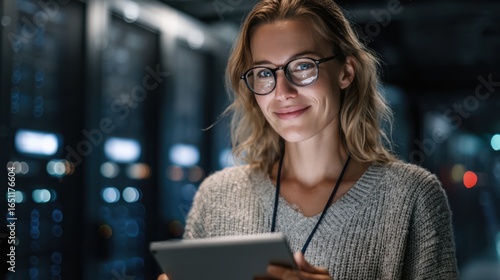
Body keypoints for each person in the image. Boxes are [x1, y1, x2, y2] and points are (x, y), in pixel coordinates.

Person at [158, 0, 458, 279]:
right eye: (264, 72)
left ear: (346, 72)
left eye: (302, 66)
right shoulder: (217, 197)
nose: (283, 92)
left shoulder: (413, 197)